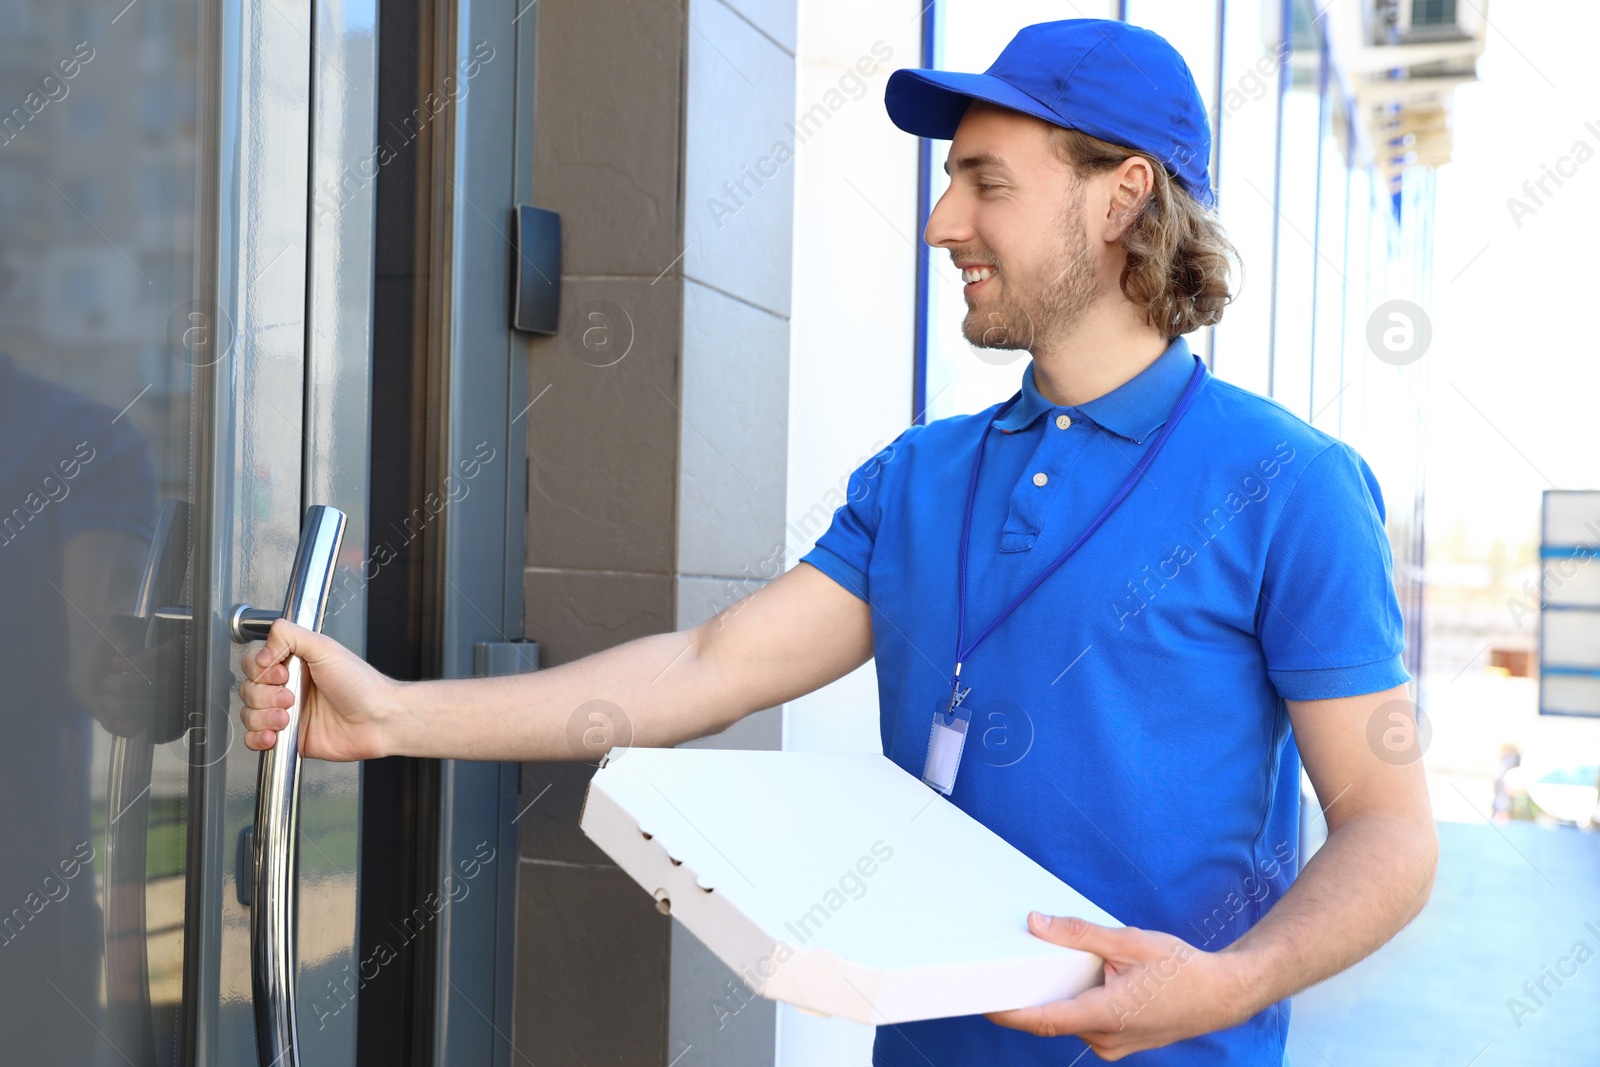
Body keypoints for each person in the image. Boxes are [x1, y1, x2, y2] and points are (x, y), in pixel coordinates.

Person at [240, 18, 1437, 1065]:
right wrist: (392, 715)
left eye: (985, 182)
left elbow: (1387, 827)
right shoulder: (920, 473)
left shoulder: (1290, 485)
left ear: (1121, 195)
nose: (940, 221)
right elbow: (708, 664)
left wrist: (1228, 982)